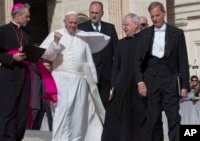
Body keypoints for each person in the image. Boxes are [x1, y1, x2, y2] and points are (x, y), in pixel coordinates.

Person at [40, 11, 105, 141]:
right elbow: (47, 56)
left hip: (79, 81)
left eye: (75, 23)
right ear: (64, 22)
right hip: (60, 79)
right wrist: (56, 43)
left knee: (77, 113)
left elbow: (89, 62)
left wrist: (93, 83)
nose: (73, 25)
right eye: (70, 22)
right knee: (61, 111)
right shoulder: (55, 35)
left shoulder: (82, 39)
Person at [135, 2, 190, 141]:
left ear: (164, 13)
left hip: (170, 79)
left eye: (157, 15)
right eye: (152, 16)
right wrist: (140, 81)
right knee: (153, 120)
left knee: (174, 118)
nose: (155, 19)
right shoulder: (143, 35)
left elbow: (183, 59)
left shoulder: (177, 33)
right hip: (150, 80)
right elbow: (137, 61)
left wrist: (184, 85)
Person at [0, 3, 34, 141]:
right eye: (27, 16)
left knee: (21, 111)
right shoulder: (3, 30)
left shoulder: (27, 33)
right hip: (7, 77)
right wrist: (11, 57)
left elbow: (29, 51)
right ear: (18, 16)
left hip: (24, 77)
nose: (29, 19)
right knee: (5, 110)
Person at [101, 13, 142, 141]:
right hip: (121, 86)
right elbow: (116, 67)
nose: (123, 27)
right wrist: (113, 86)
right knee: (115, 115)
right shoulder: (120, 43)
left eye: (126, 25)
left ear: (135, 25)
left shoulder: (144, 40)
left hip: (138, 86)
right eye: (123, 25)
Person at [78, 1, 118, 107]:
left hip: (106, 74)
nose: (94, 15)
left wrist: (115, 76)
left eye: (96, 13)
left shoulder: (110, 28)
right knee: (90, 105)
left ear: (102, 13)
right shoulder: (81, 29)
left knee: (105, 105)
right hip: (89, 73)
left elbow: (116, 52)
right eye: (92, 13)